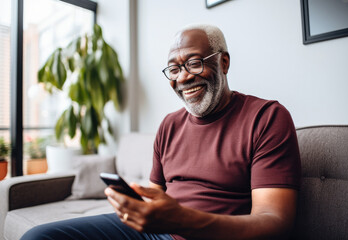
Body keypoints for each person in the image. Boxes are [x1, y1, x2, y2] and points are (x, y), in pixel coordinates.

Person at [21, 24, 301, 240]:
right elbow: (155, 194)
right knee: (39, 236)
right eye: (174, 68)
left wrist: (182, 220)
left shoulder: (267, 118)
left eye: (194, 62)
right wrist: (133, 201)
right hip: (156, 230)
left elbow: (275, 222)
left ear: (223, 63)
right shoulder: (170, 124)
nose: (183, 77)